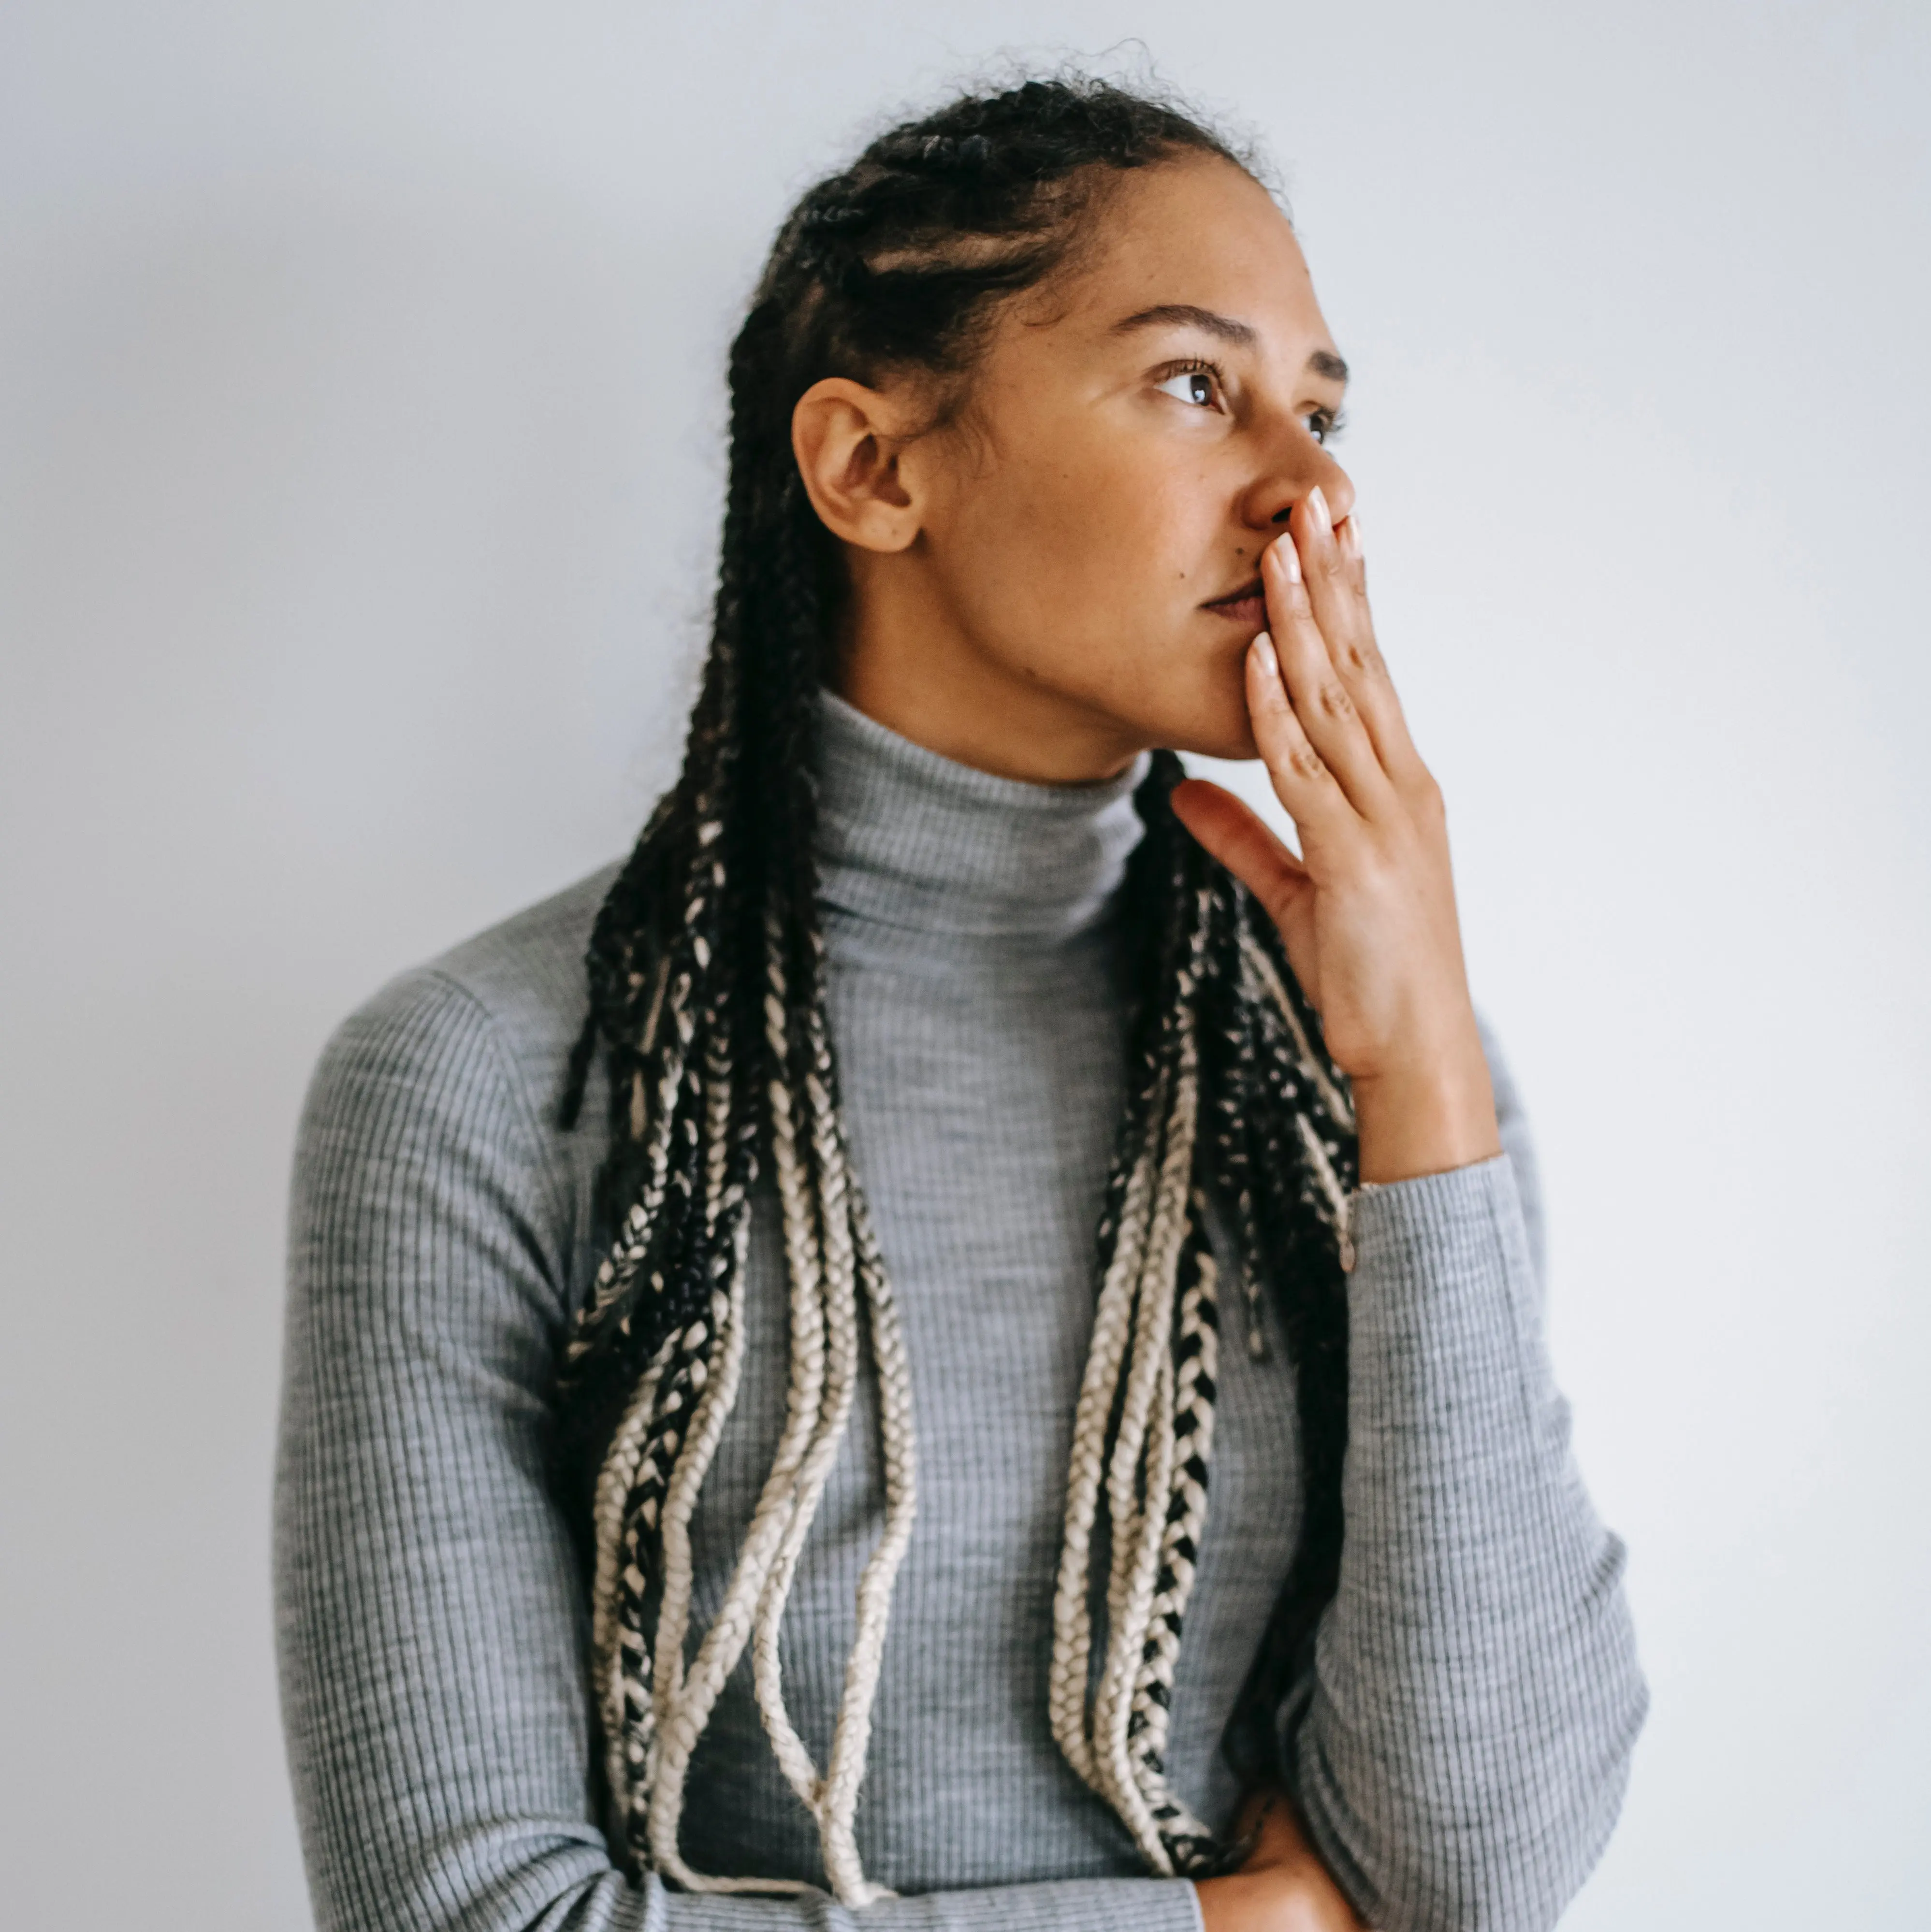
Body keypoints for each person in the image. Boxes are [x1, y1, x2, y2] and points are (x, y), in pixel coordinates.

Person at [273, 73, 1647, 1932]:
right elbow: (466, 1917)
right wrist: (1235, 1926)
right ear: (873, 469)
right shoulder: (490, 1083)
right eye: (1195, 384)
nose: (1310, 487)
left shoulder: (1384, 1081)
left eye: (1324, 413)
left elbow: (1477, 1867)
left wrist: (1418, 1087)